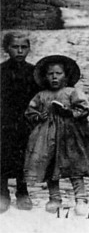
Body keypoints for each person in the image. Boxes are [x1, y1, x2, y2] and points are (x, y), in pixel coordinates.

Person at [24, 55, 89, 216]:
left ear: (67, 75)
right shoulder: (42, 95)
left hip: (69, 136)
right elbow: (30, 111)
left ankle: (81, 198)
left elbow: (83, 109)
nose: (54, 77)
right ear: (45, 76)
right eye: (50, 74)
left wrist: (69, 112)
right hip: (47, 136)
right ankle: (54, 198)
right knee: (50, 166)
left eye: (58, 73)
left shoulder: (72, 92)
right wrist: (39, 116)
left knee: (74, 166)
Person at [0, 32, 39, 213]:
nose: (20, 51)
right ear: (6, 49)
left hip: (25, 121)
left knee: (24, 156)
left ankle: (22, 192)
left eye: (24, 47)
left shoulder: (34, 73)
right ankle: (2, 192)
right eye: (15, 47)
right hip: (4, 121)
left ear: (29, 49)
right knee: (3, 154)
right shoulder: (1, 71)